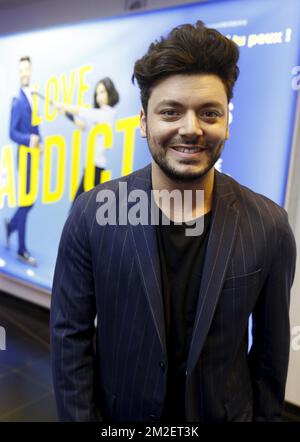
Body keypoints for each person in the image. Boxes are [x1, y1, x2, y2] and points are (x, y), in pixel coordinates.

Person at [50, 22, 296, 422]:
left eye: (209, 113)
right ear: (143, 121)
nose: (191, 129)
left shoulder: (269, 226)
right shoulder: (91, 214)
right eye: (171, 112)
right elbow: (69, 339)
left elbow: (271, 358)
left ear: (227, 122)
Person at [55, 77, 119, 205]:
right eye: (97, 93)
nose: (99, 96)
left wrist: (63, 106)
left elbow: (82, 112)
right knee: (83, 208)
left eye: (102, 92)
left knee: (78, 207)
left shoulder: (108, 113)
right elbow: (83, 125)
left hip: (96, 169)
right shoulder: (98, 115)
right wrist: (66, 114)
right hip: (91, 167)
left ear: (109, 93)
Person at [5, 56, 42, 266]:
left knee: (28, 200)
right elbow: (12, 132)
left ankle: (11, 225)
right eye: (21, 70)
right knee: (27, 201)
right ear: (18, 73)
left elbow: (35, 126)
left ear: (31, 70)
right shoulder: (17, 101)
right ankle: (21, 249)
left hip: (33, 155)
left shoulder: (32, 97)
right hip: (24, 156)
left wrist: (41, 141)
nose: (24, 73)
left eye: (27, 69)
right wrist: (30, 140)